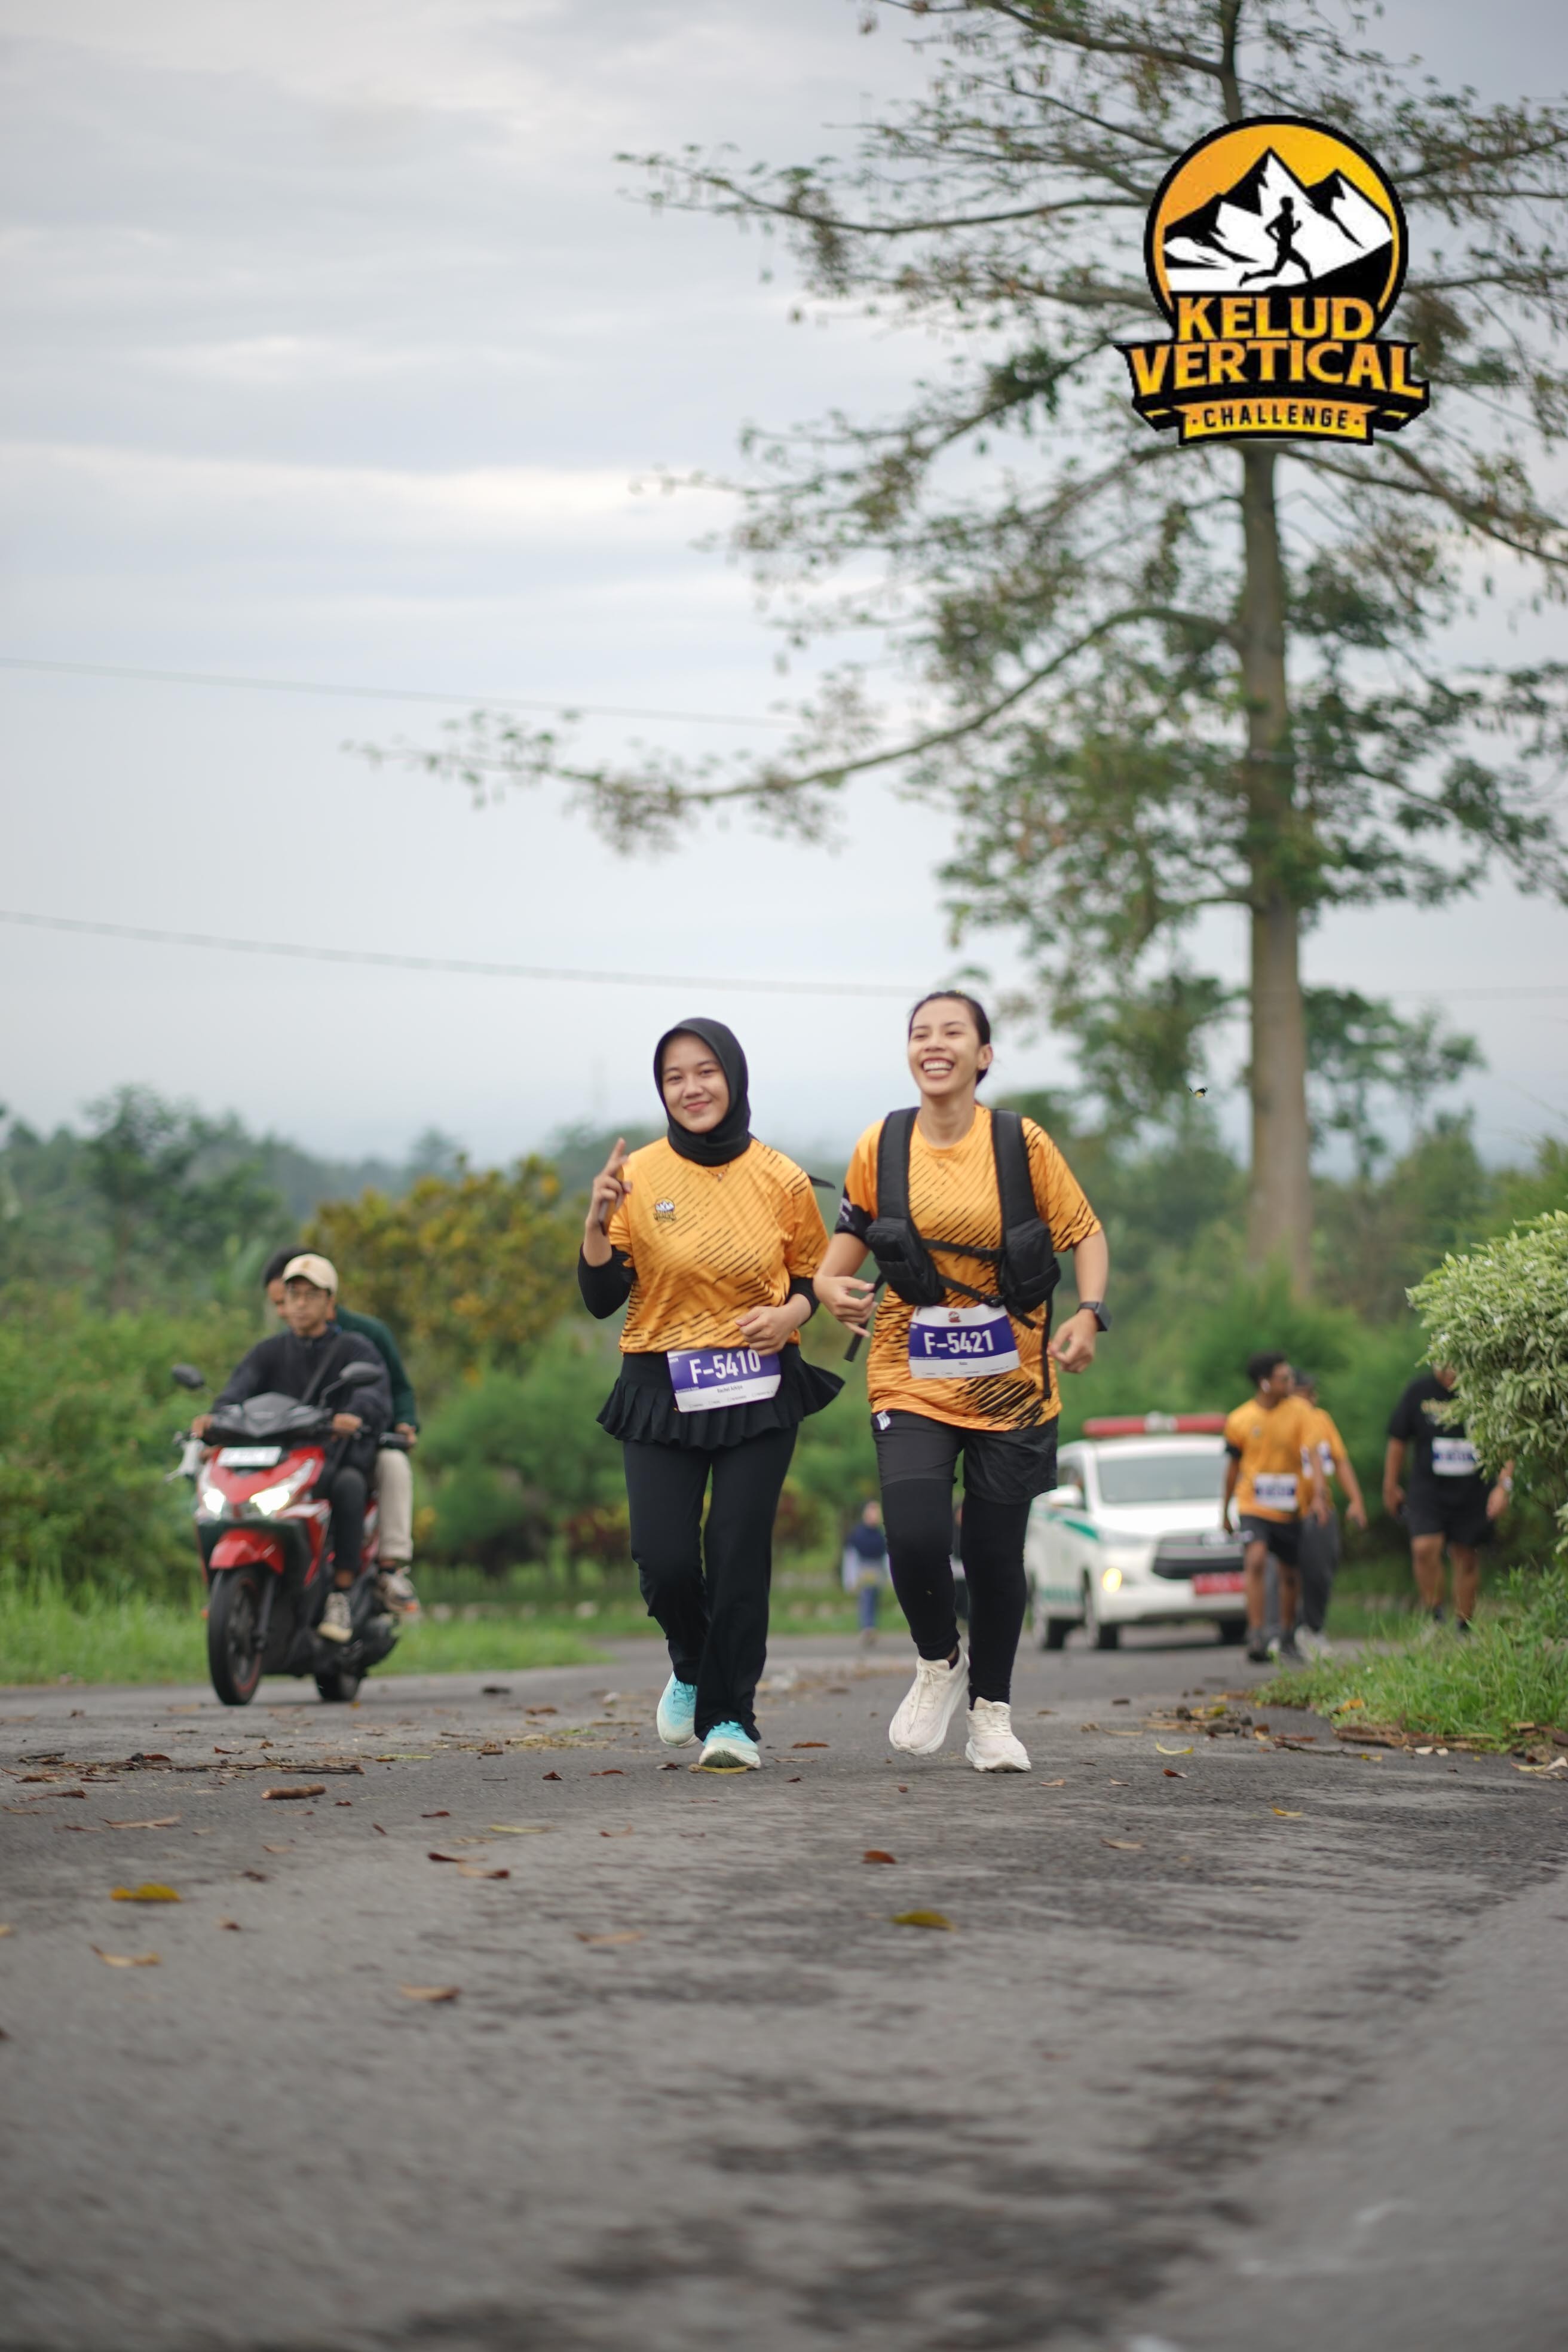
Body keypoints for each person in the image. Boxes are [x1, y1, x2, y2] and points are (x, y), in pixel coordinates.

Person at [814, 991, 1108, 1774]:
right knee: (913, 1535)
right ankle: (938, 1660)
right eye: (920, 1033)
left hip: (1011, 1380)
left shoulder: (1020, 1143)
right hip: (908, 1372)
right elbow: (840, 1253)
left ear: (983, 1055)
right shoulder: (882, 1144)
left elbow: (1084, 1233)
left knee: (992, 1555)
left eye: (953, 1032)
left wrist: (1088, 1315)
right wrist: (828, 1288)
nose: (934, 1044)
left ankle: (991, 1715)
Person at [578, 1017, 841, 1771]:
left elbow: (812, 1278)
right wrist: (596, 1222)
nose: (691, 1088)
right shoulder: (639, 1176)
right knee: (661, 1558)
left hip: (756, 1382)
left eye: (704, 1071)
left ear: (733, 1076)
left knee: (735, 1550)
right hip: (660, 1384)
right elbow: (601, 1297)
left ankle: (731, 1719)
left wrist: (791, 1314)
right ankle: (692, 1662)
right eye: (674, 1077)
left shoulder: (782, 1178)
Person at [193, 1254, 392, 1643]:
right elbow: (235, 1393)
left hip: (328, 1459)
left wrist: (353, 1415)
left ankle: (340, 1595)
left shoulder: (355, 1349)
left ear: (330, 1303)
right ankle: (228, 1590)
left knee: (350, 1485)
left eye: (311, 1295)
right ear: (282, 1302)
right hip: (277, 1462)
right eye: (293, 1295)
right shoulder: (268, 1352)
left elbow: (373, 1396)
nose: (301, 1304)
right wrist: (213, 1420)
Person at [261, 1246, 422, 1621]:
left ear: (328, 1299)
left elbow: (392, 1388)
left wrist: (403, 1423)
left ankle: (388, 1569)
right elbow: (246, 1392)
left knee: (389, 1466)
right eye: (287, 1300)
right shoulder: (279, 1348)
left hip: (360, 1445)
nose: (291, 1309)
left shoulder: (364, 1338)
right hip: (301, 1452)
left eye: (305, 1297)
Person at [1384, 1364, 1512, 1632]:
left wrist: (1503, 1487)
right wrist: (1390, 1485)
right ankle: (1434, 1619)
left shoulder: (1483, 1390)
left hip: (1473, 1488)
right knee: (1424, 1547)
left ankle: (1464, 1627)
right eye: (1444, 1363)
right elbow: (1398, 1439)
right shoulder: (1419, 1392)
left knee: (1466, 1555)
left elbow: (1506, 1441)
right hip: (1428, 1488)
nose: (1450, 1370)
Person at [1221, 1353, 1329, 1664]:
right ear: (1265, 1383)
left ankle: (1286, 1634)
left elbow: (1314, 1455)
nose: (1291, 1383)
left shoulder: (1301, 1412)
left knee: (1290, 1573)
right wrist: (1224, 1510)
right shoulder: (1240, 1419)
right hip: (1253, 1504)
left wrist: (1319, 1495)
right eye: (1284, 1378)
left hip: (1290, 1507)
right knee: (1255, 1559)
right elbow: (1232, 1469)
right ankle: (1256, 1633)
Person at [1290, 1368, 1368, 1656]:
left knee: (1321, 1568)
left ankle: (1313, 1628)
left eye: (1312, 1393)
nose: (1311, 1399)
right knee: (1286, 1574)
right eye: (1305, 1393)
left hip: (1321, 1509)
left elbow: (1340, 1461)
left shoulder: (1322, 1420)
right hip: (1287, 1510)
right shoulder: (1281, 1420)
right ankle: (1283, 1632)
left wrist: (1356, 1500)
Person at [841, 1500, 889, 1647]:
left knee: (874, 1601)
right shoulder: (858, 1535)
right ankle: (868, 1628)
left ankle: (871, 1627)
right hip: (863, 1571)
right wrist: (851, 1578)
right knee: (866, 1598)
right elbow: (851, 1558)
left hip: (877, 1571)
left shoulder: (881, 1535)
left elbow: (886, 1557)